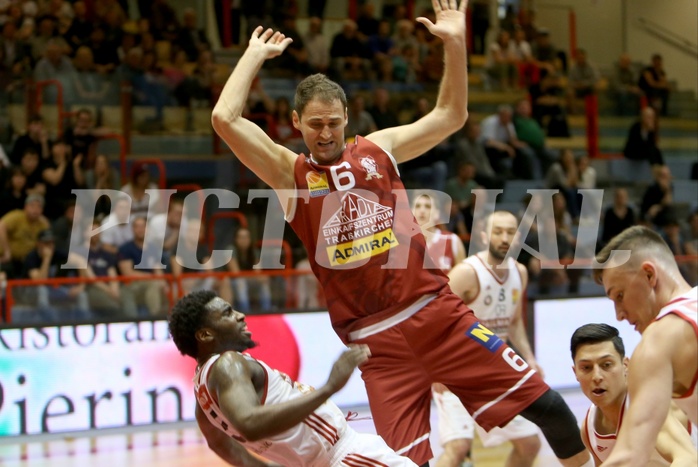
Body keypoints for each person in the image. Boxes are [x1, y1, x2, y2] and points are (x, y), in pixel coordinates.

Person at [211, 4, 592, 465]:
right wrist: (253, 56)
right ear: (296, 124)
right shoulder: (288, 174)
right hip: (377, 347)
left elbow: (451, 115)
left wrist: (454, 40)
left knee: (550, 409)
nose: (326, 133)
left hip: (439, 316)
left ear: (347, 117)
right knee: (404, 464)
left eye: (334, 122)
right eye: (314, 125)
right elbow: (224, 119)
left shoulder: (380, 148)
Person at [167, 290, 418, 466]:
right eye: (227, 313)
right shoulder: (227, 364)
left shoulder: (202, 393)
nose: (240, 315)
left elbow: (218, 443)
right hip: (344, 457)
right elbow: (249, 423)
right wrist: (329, 388)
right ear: (205, 334)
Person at [437, 211, 543, 467]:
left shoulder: (520, 272)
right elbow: (434, 319)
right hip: (457, 371)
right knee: (458, 447)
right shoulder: (466, 272)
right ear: (484, 236)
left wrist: (529, 357)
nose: (504, 238)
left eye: (510, 232)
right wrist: (435, 369)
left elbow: (514, 323)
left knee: (530, 443)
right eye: (498, 232)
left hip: (494, 372)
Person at [593, 226, 698, 466]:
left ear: (649, 275)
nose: (618, 315)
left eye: (619, 295)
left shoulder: (657, 341)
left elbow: (630, 455)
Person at [571, 323, 697, 466]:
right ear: (575, 372)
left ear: (625, 365)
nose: (597, 376)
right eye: (586, 368)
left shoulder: (648, 405)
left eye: (606, 365)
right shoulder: (589, 430)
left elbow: (689, 459)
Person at [412, 193, 465, 273]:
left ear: (437, 214)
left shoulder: (452, 241)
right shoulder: (401, 242)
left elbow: (463, 279)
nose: (422, 211)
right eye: (417, 206)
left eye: (427, 206)